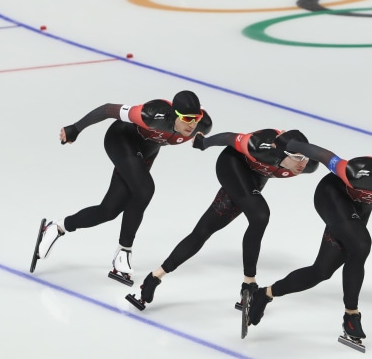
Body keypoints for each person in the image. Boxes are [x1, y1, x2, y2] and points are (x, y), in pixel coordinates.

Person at [246, 143, 372, 348]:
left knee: (321, 271)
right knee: (361, 245)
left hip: (358, 207)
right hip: (332, 195)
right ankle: (351, 317)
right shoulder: (358, 172)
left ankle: (266, 293)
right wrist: (292, 145)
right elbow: (324, 155)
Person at [31, 90, 213, 286]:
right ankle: (123, 252)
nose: (192, 124)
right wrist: (76, 128)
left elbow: (202, 133)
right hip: (121, 140)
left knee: (108, 210)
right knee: (145, 189)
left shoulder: (203, 125)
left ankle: (57, 227)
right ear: (174, 114)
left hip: (146, 153)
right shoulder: (151, 114)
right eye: (186, 118)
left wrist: (205, 142)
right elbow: (108, 109)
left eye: (196, 118)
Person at [126, 128, 319, 310]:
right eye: (297, 157)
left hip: (255, 177)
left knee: (204, 230)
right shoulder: (259, 145)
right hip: (232, 165)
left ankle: (154, 277)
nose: (302, 163)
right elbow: (229, 138)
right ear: (281, 152)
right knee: (260, 215)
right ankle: (249, 284)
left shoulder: (308, 165)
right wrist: (204, 142)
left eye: (305, 156)